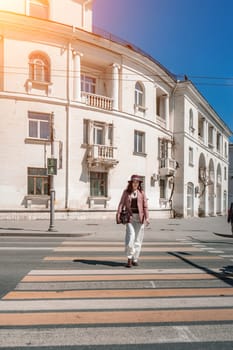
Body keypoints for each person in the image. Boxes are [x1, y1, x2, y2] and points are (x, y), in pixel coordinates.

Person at [117, 175, 149, 268]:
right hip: (129, 218)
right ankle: (129, 258)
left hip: (140, 218)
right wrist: (118, 215)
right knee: (131, 237)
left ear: (139, 184)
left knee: (138, 239)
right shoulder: (126, 192)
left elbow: (145, 206)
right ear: (131, 183)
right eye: (134, 182)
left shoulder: (142, 193)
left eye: (137, 182)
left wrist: (147, 218)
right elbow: (121, 204)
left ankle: (135, 259)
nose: (135, 184)